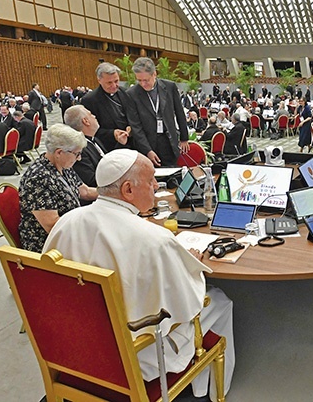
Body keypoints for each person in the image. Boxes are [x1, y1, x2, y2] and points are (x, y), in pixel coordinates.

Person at [42, 149, 234, 400]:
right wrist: (190, 264)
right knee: (218, 299)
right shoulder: (155, 240)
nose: (156, 185)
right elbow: (185, 303)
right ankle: (206, 392)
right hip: (134, 355)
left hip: (75, 347)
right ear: (128, 190)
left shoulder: (66, 222)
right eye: (152, 180)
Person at [19, 124, 98, 253]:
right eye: (77, 154)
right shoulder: (38, 178)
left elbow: (85, 191)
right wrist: (89, 221)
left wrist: (111, 193)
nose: (79, 159)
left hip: (70, 232)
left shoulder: (63, 166)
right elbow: (53, 226)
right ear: (59, 152)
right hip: (50, 245)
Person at [127, 57, 190, 167]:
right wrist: (148, 150)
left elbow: (180, 112)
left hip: (168, 141)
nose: (143, 84)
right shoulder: (132, 94)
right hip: (147, 143)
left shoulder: (169, 87)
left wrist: (184, 138)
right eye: (139, 80)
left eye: (146, 80)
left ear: (154, 74)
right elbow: (136, 126)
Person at [64, 104, 128, 188]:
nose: (94, 116)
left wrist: (120, 143)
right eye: (90, 114)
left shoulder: (93, 139)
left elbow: (107, 159)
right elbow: (91, 181)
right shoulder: (79, 150)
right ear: (86, 121)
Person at [81, 62, 138, 152]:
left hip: (132, 144)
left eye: (116, 81)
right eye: (109, 83)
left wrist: (131, 126)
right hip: (110, 147)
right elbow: (89, 130)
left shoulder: (124, 92)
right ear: (99, 80)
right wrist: (113, 134)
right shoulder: (90, 100)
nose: (114, 86)